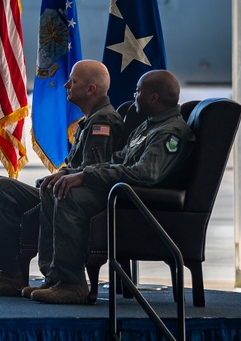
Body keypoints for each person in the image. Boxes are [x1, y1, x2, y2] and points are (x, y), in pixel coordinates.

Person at [30, 69, 195, 305]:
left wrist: (86, 176)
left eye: (138, 91)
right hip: (125, 197)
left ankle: (72, 285)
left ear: (154, 98)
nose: (134, 95)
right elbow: (118, 159)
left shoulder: (171, 132)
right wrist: (74, 172)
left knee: (68, 196)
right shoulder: (149, 127)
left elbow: (146, 173)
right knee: (57, 187)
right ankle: (55, 278)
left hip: (142, 205)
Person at [0, 60, 126, 297]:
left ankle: (65, 281)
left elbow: (93, 171)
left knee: (9, 186)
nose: (66, 85)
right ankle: (7, 272)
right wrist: (60, 174)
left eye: (73, 81)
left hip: (82, 198)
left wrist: (65, 175)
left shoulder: (102, 121)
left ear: (91, 89)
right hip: (67, 189)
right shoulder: (90, 120)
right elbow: (80, 168)